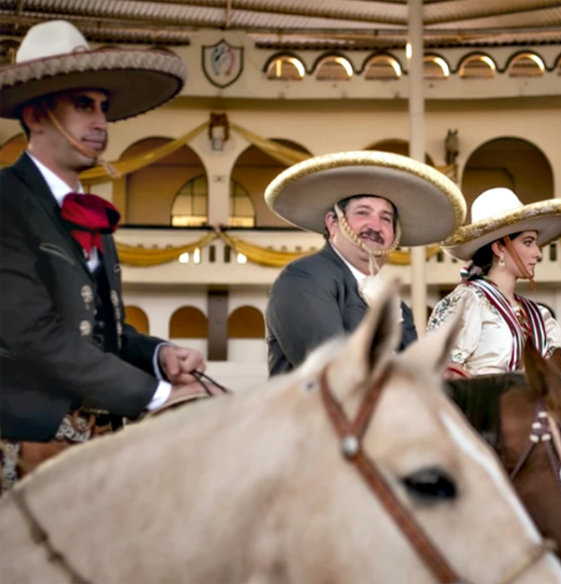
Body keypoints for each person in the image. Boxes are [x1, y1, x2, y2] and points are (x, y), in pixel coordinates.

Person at [0, 20, 221, 491]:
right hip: (23, 442)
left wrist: (159, 356)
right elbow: (34, 334)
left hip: (94, 445)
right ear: (37, 116)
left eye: (103, 107)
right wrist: (157, 394)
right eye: (83, 105)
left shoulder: (89, 214)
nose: (101, 122)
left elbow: (102, 333)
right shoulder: (5, 200)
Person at [264, 150, 466, 375]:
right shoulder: (303, 279)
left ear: (395, 233)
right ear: (333, 223)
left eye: (386, 218)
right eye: (363, 213)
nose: (376, 226)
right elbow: (334, 372)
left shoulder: (398, 308)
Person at [428, 187, 561, 389]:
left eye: (535, 244)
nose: (538, 253)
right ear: (499, 248)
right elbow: (445, 374)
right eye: (528, 243)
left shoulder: (538, 314)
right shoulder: (467, 302)